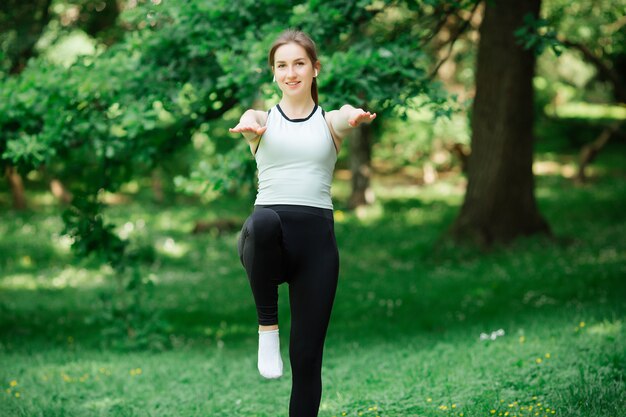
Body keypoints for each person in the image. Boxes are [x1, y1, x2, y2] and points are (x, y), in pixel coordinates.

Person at [230, 29, 376, 417]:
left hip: (316, 248)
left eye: (299, 63)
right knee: (261, 222)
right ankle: (267, 328)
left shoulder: (328, 122)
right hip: (266, 244)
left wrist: (353, 115)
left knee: (307, 360)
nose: (290, 72)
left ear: (314, 69)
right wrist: (247, 124)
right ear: (273, 73)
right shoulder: (261, 119)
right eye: (282, 65)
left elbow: (344, 114)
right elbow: (249, 116)